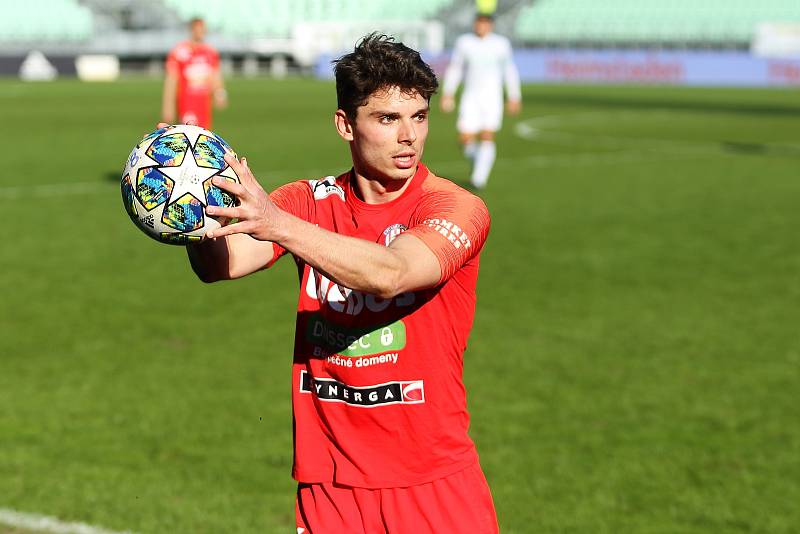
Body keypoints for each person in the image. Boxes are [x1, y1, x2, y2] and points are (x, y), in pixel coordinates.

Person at [186, 34, 497, 533]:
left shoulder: (455, 207)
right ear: (344, 125)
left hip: (431, 482)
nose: (409, 137)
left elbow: (391, 274)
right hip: (330, 487)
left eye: (418, 116)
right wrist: (190, 203)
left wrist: (275, 223)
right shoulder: (308, 202)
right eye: (387, 119)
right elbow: (222, 263)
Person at [441, 12, 522, 190]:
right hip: (470, 97)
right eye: (478, 23)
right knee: (465, 139)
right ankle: (479, 163)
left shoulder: (501, 44)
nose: (480, 26)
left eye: (484, 23)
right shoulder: (465, 42)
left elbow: (509, 70)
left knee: (487, 135)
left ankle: (479, 178)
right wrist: (448, 93)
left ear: (490, 25)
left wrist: (514, 96)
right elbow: (456, 68)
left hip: (492, 98)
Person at [162, 17, 227, 129]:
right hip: (187, 103)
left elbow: (215, 75)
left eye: (203, 29)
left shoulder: (210, 52)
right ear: (192, 30)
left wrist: (220, 94)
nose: (201, 32)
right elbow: (171, 79)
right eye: (198, 29)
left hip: (204, 103)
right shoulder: (180, 51)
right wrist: (168, 106)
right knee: (187, 135)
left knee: (204, 137)